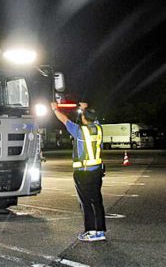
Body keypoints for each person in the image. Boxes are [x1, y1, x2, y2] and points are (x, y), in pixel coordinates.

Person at [50, 101, 107, 242]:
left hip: (83, 172)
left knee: (86, 202)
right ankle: (100, 231)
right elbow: (94, 119)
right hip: (96, 171)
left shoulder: (80, 131)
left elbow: (64, 120)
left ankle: (90, 231)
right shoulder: (99, 129)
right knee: (97, 201)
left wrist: (55, 109)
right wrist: (85, 109)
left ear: (84, 118)